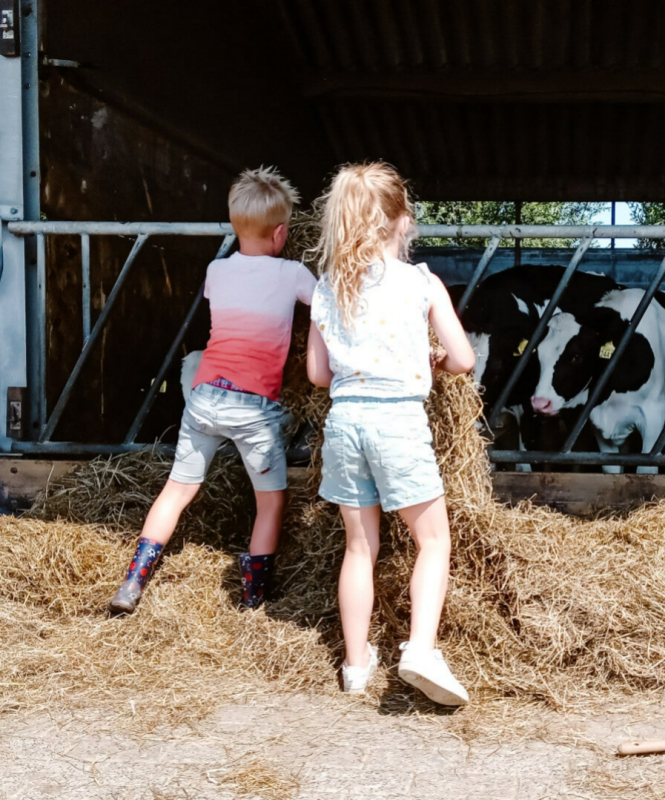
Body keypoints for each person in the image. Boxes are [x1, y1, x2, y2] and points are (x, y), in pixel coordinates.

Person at [110, 166, 316, 614]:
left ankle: (132, 582)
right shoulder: (294, 273)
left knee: (176, 491)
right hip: (255, 408)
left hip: (204, 398)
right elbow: (327, 304)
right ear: (281, 233)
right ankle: (252, 598)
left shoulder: (216, 271)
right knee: (271, 502)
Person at [306, 162, 475, 705]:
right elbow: (464, 359)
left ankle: (356, 666)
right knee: (433, 541)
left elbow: (316, 373)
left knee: (359, 546)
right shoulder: (421, 283)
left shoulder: (328, 286)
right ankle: (420, 650)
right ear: (403, 221)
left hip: (345, 422)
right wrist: (434, 360)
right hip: (398, 421)